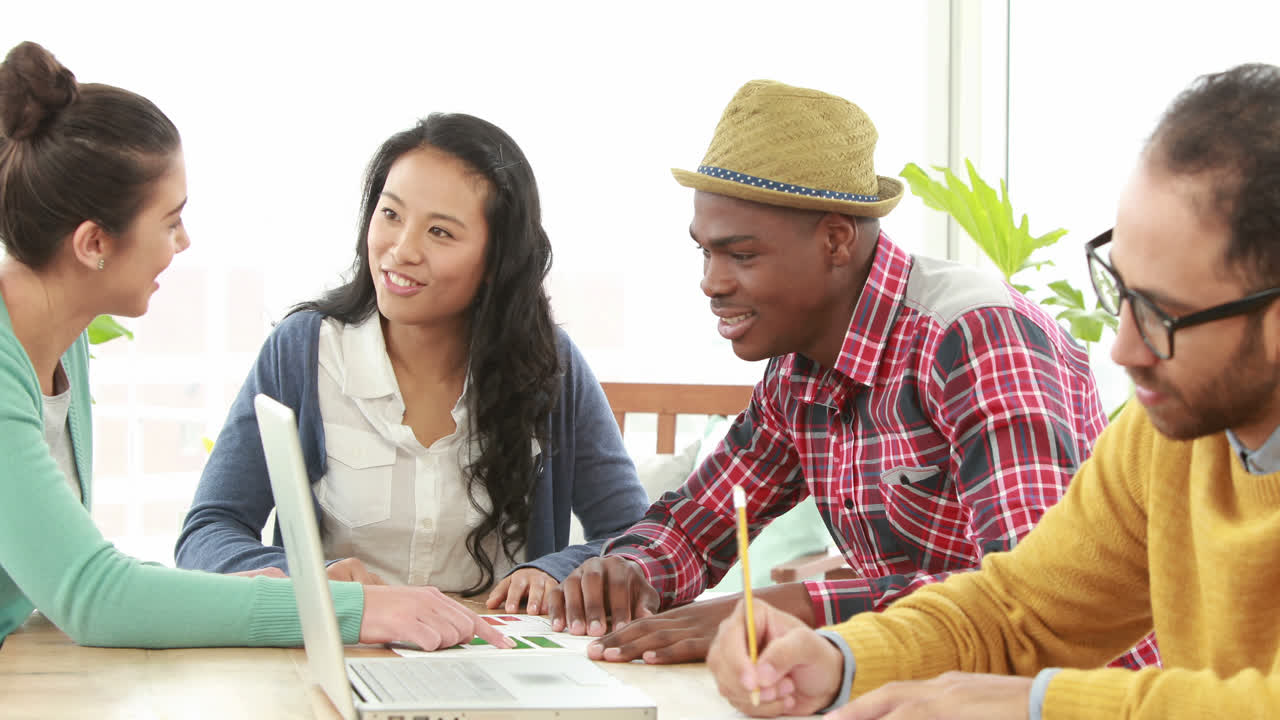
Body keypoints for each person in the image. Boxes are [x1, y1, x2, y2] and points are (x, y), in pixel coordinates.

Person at [705, 62, 1280, 719]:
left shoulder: (979, 335)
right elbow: (1020, 609)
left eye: (1162, 314)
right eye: (1120, 291)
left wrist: (1034, 705)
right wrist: (840, 659)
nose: (1123, 350)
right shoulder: (1161, 440)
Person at [546, 79, 1159, 670]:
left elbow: (1034, 590)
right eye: (706, 252)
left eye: (742, 254)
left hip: (1073, 693)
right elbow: (696, 525)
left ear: (836, 240)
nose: (711, 282)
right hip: (925, 683)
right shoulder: (797, 368)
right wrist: (630, 570)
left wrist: (800, 608)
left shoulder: (977, 338)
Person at [0, 40, 509, 651]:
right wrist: (349, 610)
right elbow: (93, 596)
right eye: (170, 221)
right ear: (93, 244)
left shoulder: (61, 342)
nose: (183, 242)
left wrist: (259, 592)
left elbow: (63, 572)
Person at [174, 111, 649, 614]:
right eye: (391, 214)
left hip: (494, 649)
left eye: (440, 232)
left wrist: (556, 569)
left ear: (496, 260)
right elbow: (208, 532)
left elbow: (636, 537)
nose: (401, 250)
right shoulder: (301, 352)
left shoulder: (551, 365)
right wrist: (311, 578)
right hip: (350, 644)